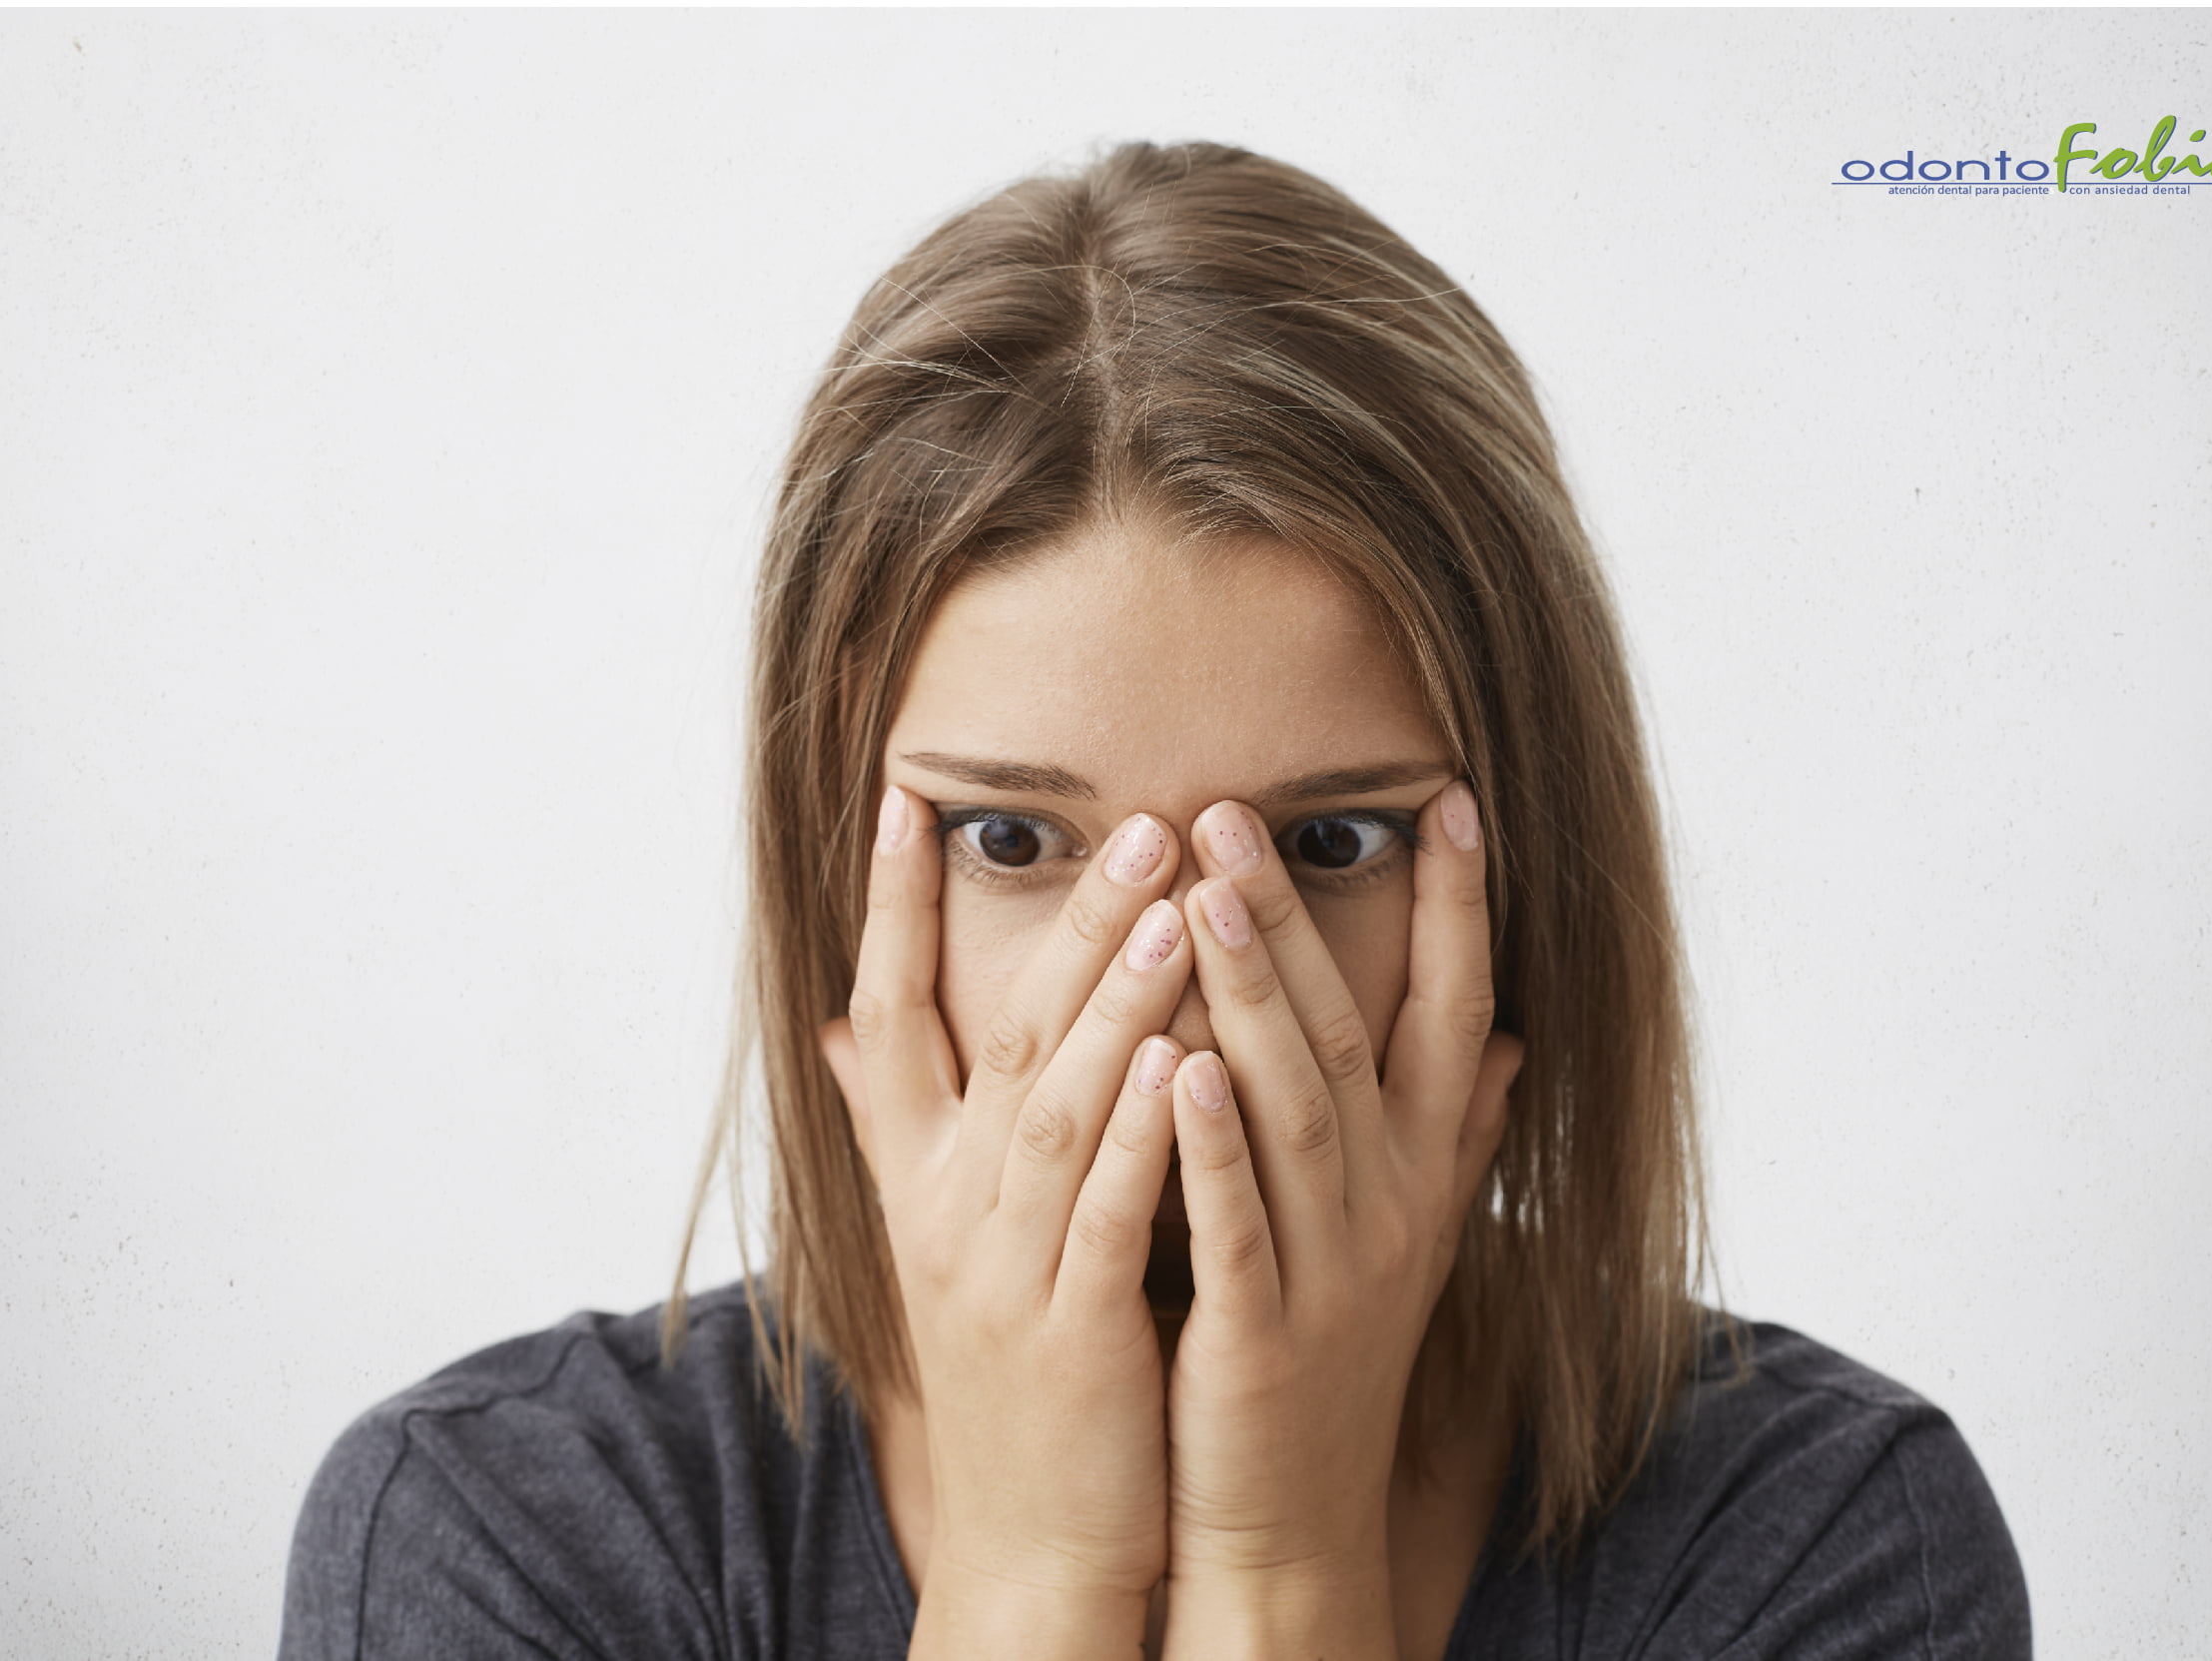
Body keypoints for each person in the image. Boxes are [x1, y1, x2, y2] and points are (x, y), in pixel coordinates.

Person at [279, 141, 2029, 1659]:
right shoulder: (501, 1534)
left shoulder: (1824, 1540)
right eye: (1016, 846)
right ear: (839, 893)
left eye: (1330, 846)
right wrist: (1033, 1585)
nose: (1181, 998)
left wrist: (1284, 1575)